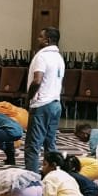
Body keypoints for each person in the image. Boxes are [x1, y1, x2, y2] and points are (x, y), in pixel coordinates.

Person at [24, 26, 65, 172]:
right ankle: (53, 176)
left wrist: (28, 98)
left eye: (41, 37)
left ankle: (32, 178)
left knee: (32, 145)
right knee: (50, 143)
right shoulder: (59, 58)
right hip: (56, 103)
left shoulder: (42, 56)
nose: (38, 39)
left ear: (47, 40)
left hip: (42, 105)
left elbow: (37, 81)